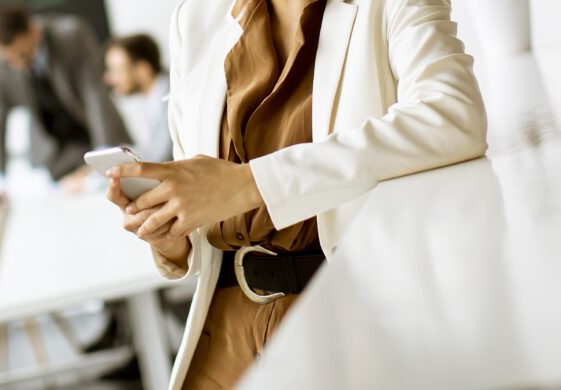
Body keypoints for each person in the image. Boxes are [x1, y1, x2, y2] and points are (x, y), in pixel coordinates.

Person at [105, 0, 487, 388]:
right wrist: (170, 232)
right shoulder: (195, 19)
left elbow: (454, 115)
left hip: (350, 321)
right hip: (224, 332)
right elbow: (203, 208)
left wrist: (248, 184)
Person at [0, 6, 132, 191]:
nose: (18, 65)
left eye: (22, 55)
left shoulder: (71, 34)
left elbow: (95, 95)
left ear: (33, 30)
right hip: (56, 155)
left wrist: (103, 156)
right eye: (10, 60)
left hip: (95, 135)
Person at [105, 33, 173, 162]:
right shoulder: (155, 96)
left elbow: (159, 159)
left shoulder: (170, 98)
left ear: (143, 70)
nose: (109, 79)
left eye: (116, 70)